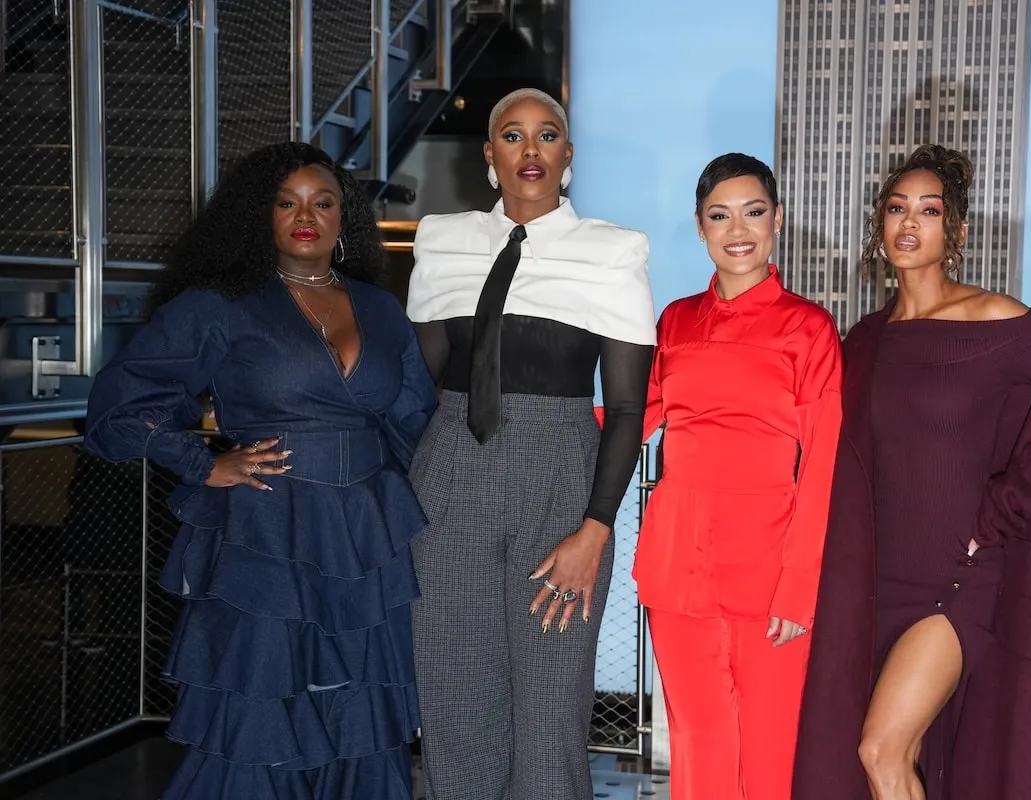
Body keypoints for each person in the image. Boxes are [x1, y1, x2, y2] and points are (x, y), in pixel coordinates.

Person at [83, 142, 435, 799]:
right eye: (287, 202)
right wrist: (201, 461)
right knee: (258, 717)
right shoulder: (220, 304)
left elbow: (417, 424)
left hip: (365, 543)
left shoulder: (381, 310)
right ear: (259, 215)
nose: (308, 215)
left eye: (324, 202)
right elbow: (119, 404)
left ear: (344, 218)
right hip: (266, 535)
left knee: (364, 719)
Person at [792, 144, 1031, 800]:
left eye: (929, 209)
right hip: (876, 584)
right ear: (879, 224)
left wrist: (1006, 507)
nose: (909, 222)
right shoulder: (864, 340)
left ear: (957, 231)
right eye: (896, 208)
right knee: (906, 755)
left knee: (879, 749)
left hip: (958, 582)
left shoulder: (997, 323)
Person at [404, 88, 656, 800]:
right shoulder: (442, 240)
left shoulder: (613, 252)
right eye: (512, 136)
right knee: (454, 709)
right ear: (491, 157)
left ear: (567, 157)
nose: (531, 149)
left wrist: (596, 530)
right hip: (450, 476)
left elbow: (629, 406)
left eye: (548, 136)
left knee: (548, 720)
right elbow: (415, 388)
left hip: (560, 482)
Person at [636, 153, 843, 800]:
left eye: (754, 212)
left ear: (777, 219)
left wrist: (799, 589)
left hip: (770, 569)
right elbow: (629, 419)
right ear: (699, 228)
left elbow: (826, 462)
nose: (738, 229)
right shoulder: (675, 320)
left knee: (769, 753)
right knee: (697, 747)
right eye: (719, 216)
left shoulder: (808, 329)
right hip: (679, 563)